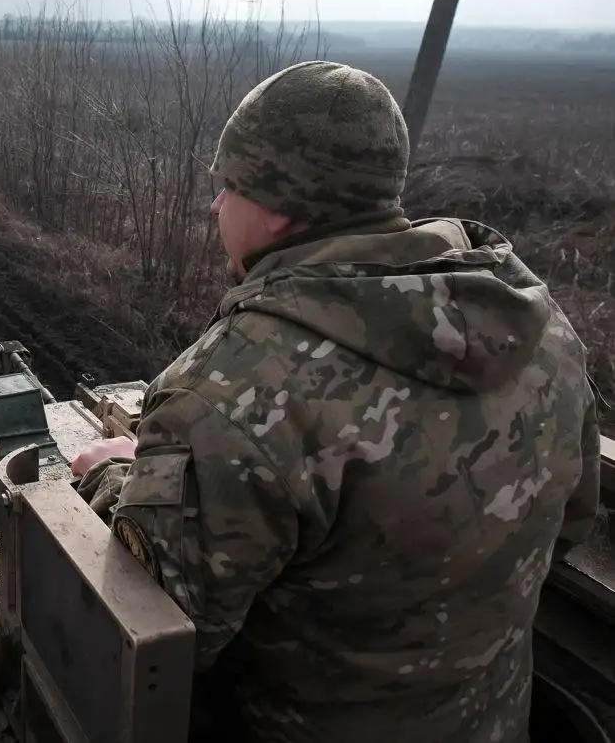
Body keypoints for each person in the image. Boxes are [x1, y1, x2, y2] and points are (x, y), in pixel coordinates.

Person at [73, 60, 601, 743]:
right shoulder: (542, 329)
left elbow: (168, 636)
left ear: (278, 207)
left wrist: (117, 475)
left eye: (228, 185)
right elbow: (571, 524)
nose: (214, 207)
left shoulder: (228, 394)